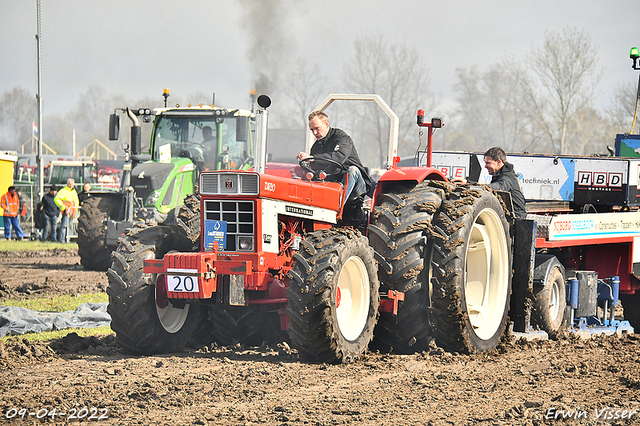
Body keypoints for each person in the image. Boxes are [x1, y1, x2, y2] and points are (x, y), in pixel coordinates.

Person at [297, 111, 372, 225]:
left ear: (326, 124)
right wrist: (307, 162)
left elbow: (338, 157)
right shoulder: (316, 147)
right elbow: (316, 169)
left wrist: (313, 158)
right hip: (333, 183)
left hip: (355, 186)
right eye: (312, 130)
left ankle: (335, 210)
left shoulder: (342, 138)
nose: (315, 132)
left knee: (352, 170)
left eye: (317, 128)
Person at [453, 147, 527, 218]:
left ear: (499, 162)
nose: (485, 166)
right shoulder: (499, 175)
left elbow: (495, 188)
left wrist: (468, 184)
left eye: (488, 163)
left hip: (517, 220)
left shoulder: (507, 178)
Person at [54, 178, 79, 243]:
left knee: (71, 225)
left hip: (72, 212)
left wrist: (76, 210)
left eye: (72, 184)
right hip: (66, 211)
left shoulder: (74, 192)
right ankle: (62, 240)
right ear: (67, 184)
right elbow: (56, 199)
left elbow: (76, 201)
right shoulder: (63, 191)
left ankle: (69, 239)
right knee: (64, 225)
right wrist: (63, 207)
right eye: (69, 184)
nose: (71, 185)